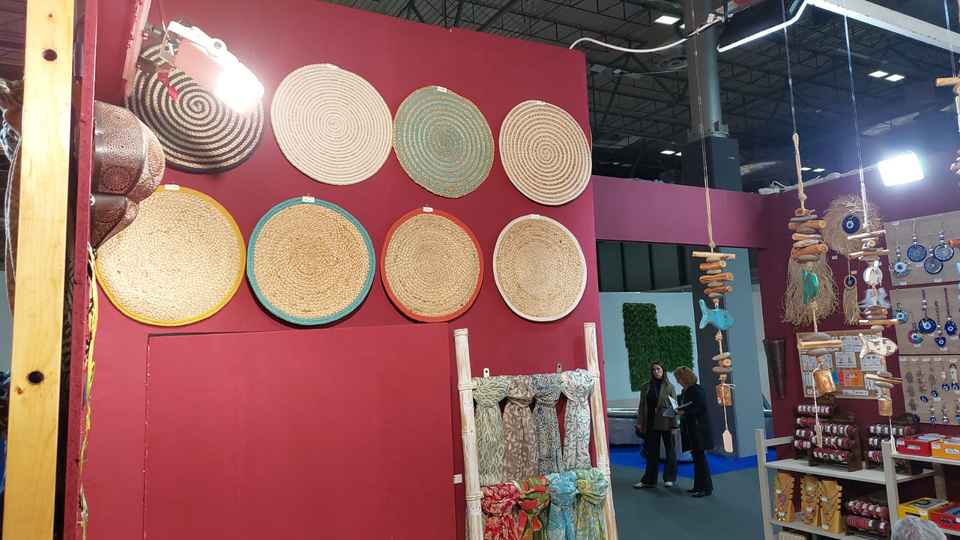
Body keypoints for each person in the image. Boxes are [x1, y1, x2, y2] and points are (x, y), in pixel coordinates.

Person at [633, 362, 678, 489]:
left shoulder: (670, 387)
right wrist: (639, 422)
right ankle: (649, 480)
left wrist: (674, 425)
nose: (656, 371)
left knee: (670, 451)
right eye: (653, 369)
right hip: (651, 423)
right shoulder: (645, 387)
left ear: (663, 370)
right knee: (652, 453)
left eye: (658, 369)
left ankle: (669, 478)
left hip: (666, 422)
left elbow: (674, 407)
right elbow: (642, 406)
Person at [674, 366, 713, 497]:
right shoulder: (686, 391)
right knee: (697, 459)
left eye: (679, 378)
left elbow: (700, 407)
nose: (678, 381)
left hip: (698, 429)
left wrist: (683, 411)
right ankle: (698, 486)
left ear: (685, 378)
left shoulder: (696, 389)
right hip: (692, 429)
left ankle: (706, 488)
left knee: (700, 459)